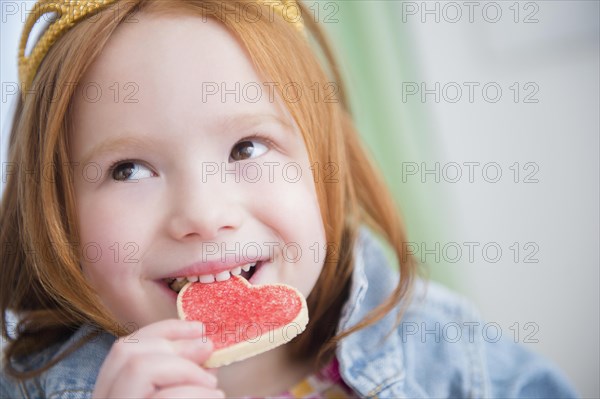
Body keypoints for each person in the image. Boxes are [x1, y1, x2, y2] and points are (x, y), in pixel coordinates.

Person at [0, 0, 578, 397]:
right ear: (56, 209)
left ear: (321, 168)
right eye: (129, 169)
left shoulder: (442, 349)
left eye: (248, 149)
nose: (203, 214)